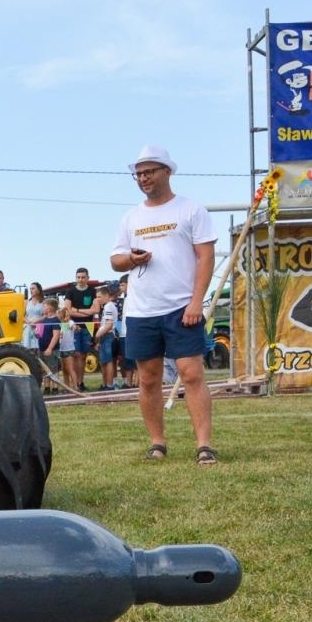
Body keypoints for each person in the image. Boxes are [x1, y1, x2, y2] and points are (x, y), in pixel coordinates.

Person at [111, 145, 218, 464]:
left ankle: (204, 445)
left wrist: (196, 301)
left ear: (167, 172)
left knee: (191, 373)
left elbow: (206, 256)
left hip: (182, 307)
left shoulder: (191, 210)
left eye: (149, 172)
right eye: (138, 174)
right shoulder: (131, 217)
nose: (143, 178)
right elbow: (116, 260)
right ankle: (157, 442)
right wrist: (131, 258)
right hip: (142, 310)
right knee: (148, 378)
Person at [93, 286, 120, 390]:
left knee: (108, 361)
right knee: (104, 361)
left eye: (99, 297)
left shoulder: (109, 306)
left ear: (107, 296)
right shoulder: (107, 306)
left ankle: (109, 385)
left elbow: (109, 324)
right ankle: (106, 384)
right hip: (106, 336)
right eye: (96, 297)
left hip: (108, 335)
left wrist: (98, 335)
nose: (97, 299)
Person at [23, 282, 46, 351]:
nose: (31, 290)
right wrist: (29, 322)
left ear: (38, 290)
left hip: (39, 326)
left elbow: (46, 315)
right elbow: (22, 315)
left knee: (38, 348)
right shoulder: (26, 302)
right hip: (28, 326)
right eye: (30, 289)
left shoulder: (44, 302)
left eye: (33, 288)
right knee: (27, 348)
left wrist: (37, 321)